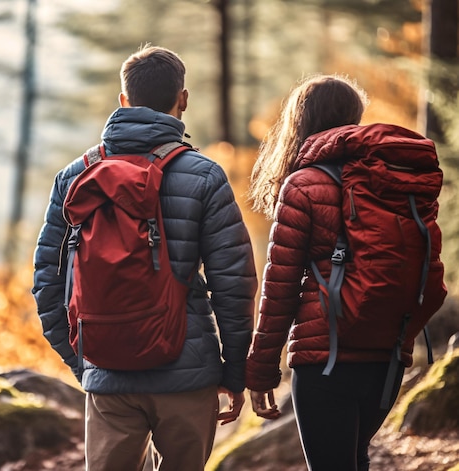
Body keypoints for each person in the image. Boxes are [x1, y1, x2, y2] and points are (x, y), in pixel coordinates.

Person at [32, 45, 257, 471]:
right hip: (188, 372)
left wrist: (84, 362)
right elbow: (235, 282)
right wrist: (234, 370)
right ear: (183, 100)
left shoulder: (75, 177)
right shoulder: (205, 176)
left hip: (108, 371)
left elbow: (47, 280)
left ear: (123, 100)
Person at [245, 74, 419, 470]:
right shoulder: (393, 181)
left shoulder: (303, 186)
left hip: (326, 359)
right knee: (354, 460)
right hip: (387, 355)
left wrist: (260, 371)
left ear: (301, 121)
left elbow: (281, 288)